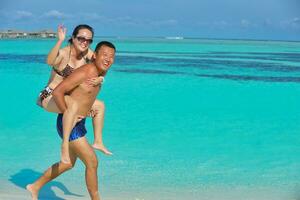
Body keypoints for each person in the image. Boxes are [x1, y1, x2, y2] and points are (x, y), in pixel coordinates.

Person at [27, 41, 116, 200]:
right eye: (104, 55)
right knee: (92, 162)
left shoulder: (101, 71)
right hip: (70, 124)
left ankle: (35, 186)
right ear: (94, 55)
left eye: (112, 57)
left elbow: (87, 93)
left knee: (68, 164)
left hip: (79, 122)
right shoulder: (85, 71)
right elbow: (58, 91)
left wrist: (101, 80)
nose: (108, 59)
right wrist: (68, 113)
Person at [37, 24, 112, 164]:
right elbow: (49, 61)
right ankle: (64, 146)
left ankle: (98, 141)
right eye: (81, 38)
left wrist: (101, 78)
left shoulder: (88, 54)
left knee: (100, 105)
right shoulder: (65, 53)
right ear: (73, 38)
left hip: (67, 97)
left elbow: (103, 65)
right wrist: (59, 40)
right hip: (49, 96)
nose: (84, 42)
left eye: (88, 40)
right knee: (72, 106)